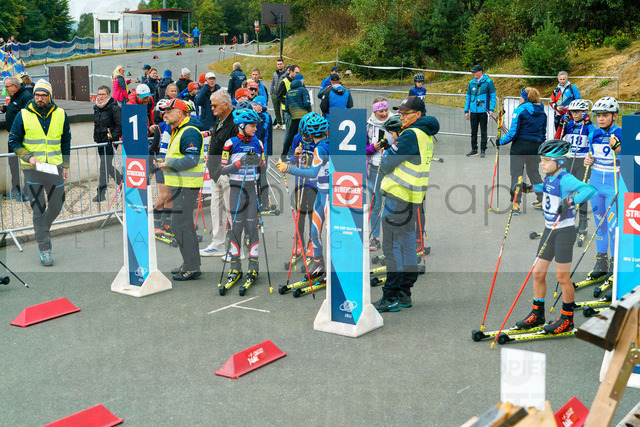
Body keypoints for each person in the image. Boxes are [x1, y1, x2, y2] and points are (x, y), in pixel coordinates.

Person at [514, 139, 596, 334]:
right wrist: (528, 188)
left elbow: (590, 190)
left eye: (546, 160)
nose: (542, 163)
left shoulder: (566, 179)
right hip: (549, 230)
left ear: (559, 162)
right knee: (538, 272)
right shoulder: (550, 178)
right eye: (542, 159)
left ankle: (567, 319)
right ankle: (537, 314)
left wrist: (571, 201)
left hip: (564, 232)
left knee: (562, 277)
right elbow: (545, 187)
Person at [372, 96, 439, 312]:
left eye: (405, 113)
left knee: (392, 246)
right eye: (400, 113)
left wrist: (387, 154)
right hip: (412, 197)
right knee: (408, 244)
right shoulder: (426, 134)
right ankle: (404, 291)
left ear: (417, 115)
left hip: (398, 196)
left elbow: (386, 163)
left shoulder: (411, 134)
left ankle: (390, 295)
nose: (400, 117)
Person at [8, 80, 71, 266]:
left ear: (50, 96)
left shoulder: (61, 114)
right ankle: (44, 249)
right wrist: (28, 157)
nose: (40, 98)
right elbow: (14, 142)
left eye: (43, 95)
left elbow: (66, 140)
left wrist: (66, 165)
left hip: (54, 168)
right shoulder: (23, 114)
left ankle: (43, 230)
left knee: (57, 205)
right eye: (37, 95)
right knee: (38, 208)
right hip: (32, 170)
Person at [153, 98, 204, 281]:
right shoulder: (178, 130)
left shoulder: (189, 132)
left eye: (169, 111)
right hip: (181, 185)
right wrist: (165, 162)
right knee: (185, 225)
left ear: (180, 113)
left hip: (186, 186)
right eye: (164, 112)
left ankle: (191, 266)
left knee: (179, 225)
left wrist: (168, 165)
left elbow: (191, 160)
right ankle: (192, 264)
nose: (165, 115)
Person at [276, 114, 331, 280]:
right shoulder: (323, 144)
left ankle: (332, 270)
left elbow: (313, 173)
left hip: (327, 194)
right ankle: (319, 264)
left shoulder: (321, 148)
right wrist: (295, 156)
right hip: (322, 192)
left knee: (329, 233)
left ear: (310, 133)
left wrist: (287, 168)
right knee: (315, 231)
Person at [219, 108, 265, 286]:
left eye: (256, 125)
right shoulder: (230, 143)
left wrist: (257, 161)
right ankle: (235, 267)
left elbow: (263, 167)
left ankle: (253, 266)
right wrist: (240, 162)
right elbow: (223, 169)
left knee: (252, 227)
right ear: (241, 126)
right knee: (236, 227)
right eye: (252, 126)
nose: (255, 128)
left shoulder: (258, 143)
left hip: (252, 189)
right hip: (236, 189)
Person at [583, 96, 621, 285]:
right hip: (596, 184)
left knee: (613, 227)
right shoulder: (593, 135)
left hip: (614, 185)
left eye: (605, 115)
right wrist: (588, 160)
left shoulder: (622, 133)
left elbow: (633, 160)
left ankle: (614, 264)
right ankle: (601, 262)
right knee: (599, 225)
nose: (601, 119)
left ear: (614, 116)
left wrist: (619, 148)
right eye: (598, 115)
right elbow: (592, 156)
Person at [497, 87, 546, 214]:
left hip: (520, 146)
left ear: (525, 97)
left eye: (521, 96)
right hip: (535, 147)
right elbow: (543, 133)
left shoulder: (520, 110)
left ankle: (516, 204)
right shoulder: (542, 112)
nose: (520, 98)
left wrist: (500, 142)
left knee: (517, 174)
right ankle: (542, 199)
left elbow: (513, 133)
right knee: (534, 173)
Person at [201, 90, 237, 258]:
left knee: (232, 212)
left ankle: (237, 249)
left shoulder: (235, 123)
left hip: (228, 174)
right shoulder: (219, 121)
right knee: (216, 210)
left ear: (226, 105)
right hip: (216, 173)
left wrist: (229, 171)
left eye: (215, 105)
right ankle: (217, 244)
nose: (212, 108)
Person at [286, 112, 319, 257]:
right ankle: (299, 243)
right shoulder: (297, 138)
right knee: (300, 213)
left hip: (314, 183)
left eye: (307, 135)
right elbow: (293, 161)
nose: (305, 138)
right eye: (303, 134)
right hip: (300, 182)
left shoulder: (318, 142)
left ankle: (312, 243)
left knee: (312, 214)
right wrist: (295, 154)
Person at [561, 99, 595, 238]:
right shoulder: (569, 124)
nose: (574, 114)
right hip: (569, 160)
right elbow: (558, 137)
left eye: (577, 112)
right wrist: (561, 124)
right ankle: (566, 219)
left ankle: (583, 222)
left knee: (582, 191)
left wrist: (589, 123)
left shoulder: (587, 126)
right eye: (572, 112)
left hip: (582, 161)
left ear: (584, 112)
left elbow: (594, 138)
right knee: (566, 190)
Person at [366, 97, 393, 251]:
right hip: (374, 169)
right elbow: (362, 148)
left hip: (391, 169)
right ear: (375, 111)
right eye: (380, 111)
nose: (384, 114)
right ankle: (375, 238)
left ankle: (392, 237)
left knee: (392, 205)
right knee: (376, 205)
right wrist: (373, 148)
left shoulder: (395, 122)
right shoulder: (369, 125)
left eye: (385, 110)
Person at [1, 76, 32, 201]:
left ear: (15, 86)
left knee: (26, 164)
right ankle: (16, 190)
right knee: (13, 164)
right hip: (13, 137)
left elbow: (29, 116)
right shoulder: (15, 96)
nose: (5, 89)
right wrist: (4, 108)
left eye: (7, 87)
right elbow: (14, 109)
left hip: (22, 138)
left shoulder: (26, 97)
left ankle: (28, 192)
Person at [92, 85, 123, 202]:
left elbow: (120, 125)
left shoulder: (114, 108)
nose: (100, 96)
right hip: (100, 141)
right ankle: (122, 184)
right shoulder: (97, 107)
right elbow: (97, 124)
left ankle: (101, 193)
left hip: (110, 142)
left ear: (108, 95)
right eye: (99, 94)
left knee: (103, 167)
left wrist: (113, 138)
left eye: (103, 94)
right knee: (107, 166)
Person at [464, 64, 496, 158]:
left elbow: (493, 97)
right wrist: (466, 110)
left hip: (483, 111)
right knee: (473, 131)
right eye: (472, 72)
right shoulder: (471, 83)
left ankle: (483, 149)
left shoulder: (488, 82)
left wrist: (491, 109)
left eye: (475, 72)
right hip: (473, 111)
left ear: (480, 72)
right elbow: (468, 97)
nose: (473, 74)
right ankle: (474, 149)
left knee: (483, 131)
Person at [282, 74, 312, 160]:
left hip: (294, 117)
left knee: (290, 136)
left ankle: (284, 155)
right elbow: (307, 103)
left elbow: (287, 107)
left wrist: (292, 114)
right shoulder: (303, 90)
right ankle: (306, 154)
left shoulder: (289, 92)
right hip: (304, 117)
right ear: (301, 82)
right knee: (306, 135)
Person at [252, 96, 273, 210]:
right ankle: (257, 200)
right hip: (256, 150)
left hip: (264, 150)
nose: (254, 107)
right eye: (253, 105)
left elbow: (262, 131)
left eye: (256, 105)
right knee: (255, 175)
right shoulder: (255, 115)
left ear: (262, 105)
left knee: (262, 176)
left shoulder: (265, 116)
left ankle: (265, 202)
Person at [277, 64, 300, 135]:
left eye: (298, 73)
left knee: (296, 131)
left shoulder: (298, 81)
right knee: (289, 132)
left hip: (297, 110)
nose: (298, 74)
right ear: (291, 72)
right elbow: (279, 97)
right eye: (296, 73)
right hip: (288, 110)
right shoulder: (284, 82)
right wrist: (289, 102)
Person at [270, 58, 287, 129]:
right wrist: (271, 92)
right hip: (275, 93)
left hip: (283, 94)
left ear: (283, 64)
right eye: (278, 64)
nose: (279, 65)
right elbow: (273, 83)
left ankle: (284, 123)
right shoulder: (275, 73)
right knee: (276, 109)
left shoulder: (286, 73)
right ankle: (279, 122)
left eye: (280, 64)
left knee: (283, 109)